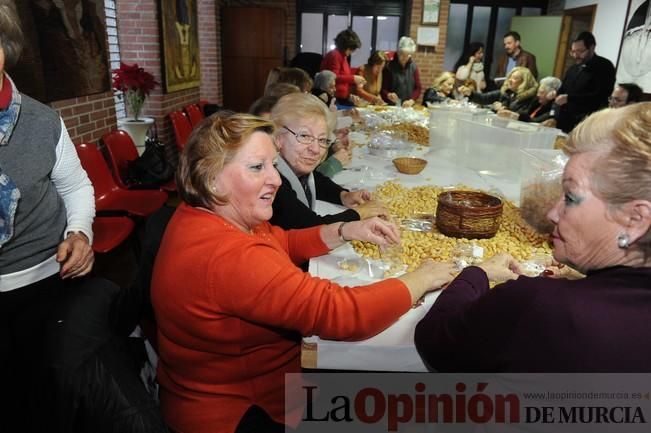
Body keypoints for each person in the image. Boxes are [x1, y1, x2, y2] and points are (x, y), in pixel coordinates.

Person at [151, 111, 458, 433]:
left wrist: (345, 230)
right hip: (243, 409)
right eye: (257, 167)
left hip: (219, 385)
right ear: (210, 177)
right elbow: (341, 313)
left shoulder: (204, 213)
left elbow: (279, 239)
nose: (276, 179)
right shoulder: (232, 257)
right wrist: (421, 278)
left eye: (273, 164)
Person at [415, 102, 651, 373]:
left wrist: (475, 274)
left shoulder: (544, 307)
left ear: (635, 220)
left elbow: (435, 339)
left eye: (571, 198)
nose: (552, 213)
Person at [0, 0, 95, 428]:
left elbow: (75, 187)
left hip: (41, 281)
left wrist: (79, 232)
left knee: (44, 396)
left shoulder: (43, 122)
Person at [269, 92, 386, 229]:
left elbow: (316, 180)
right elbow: (309, 228)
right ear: (277, 137)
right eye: (305, 136)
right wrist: (358, 213)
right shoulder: (271, 181)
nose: (316, 149)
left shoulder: (292, 167)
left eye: (322, 140)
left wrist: (343, 195)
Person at [555, 31, 616, 133]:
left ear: (592, 48)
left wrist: (569, 98)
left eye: (580, 51)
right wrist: (555, 94)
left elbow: (601, 95)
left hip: (587, 121)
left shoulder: (604, 66)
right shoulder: (573, 68)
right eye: (573, 51)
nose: (575, 55)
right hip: (565, 120)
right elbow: (563, 90)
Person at [461, 66, 538, 113]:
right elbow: (484, 98)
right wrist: (470, 93)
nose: (510, 80)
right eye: (510, 76)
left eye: (515, 78)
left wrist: (504, 110)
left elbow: (523, 116)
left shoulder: (530, 98)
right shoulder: (505, 92)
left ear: (524, 82)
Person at [320, 29, 366, 106]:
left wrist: (357, 74)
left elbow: (343, 74)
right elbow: (333, 77)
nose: (352, 52)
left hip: (340, 98)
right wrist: (353, 78)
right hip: (333, 98)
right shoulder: (335, 55)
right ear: (345, 46)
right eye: (351, 49)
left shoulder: (342, 56)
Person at [498, 76, 562, 125]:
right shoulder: (537, 101)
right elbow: (525, 112)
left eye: (541, 92)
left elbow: (535, 122)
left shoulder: (553, 109)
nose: (538, 95)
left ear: (551, 94)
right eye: (538, 92)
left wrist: (517, 116)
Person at [381, 36, 422, 107]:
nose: (404, 58)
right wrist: (388, 95)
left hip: (408, 106)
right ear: (398, 52)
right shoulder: (389, 67)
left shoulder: (413, 67)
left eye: (407, 55)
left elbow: (418, 88)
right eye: (402, 54)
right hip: (392, 106)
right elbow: (383, 89)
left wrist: (411, 100)